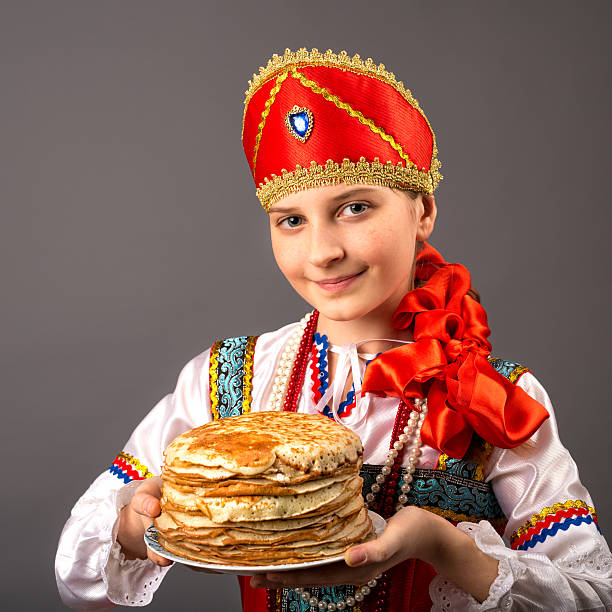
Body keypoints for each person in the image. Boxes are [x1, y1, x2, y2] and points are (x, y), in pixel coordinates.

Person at [55, 48, 612, 611]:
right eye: (291, 221)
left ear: (423, 211)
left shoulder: (496, 401)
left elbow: (592, 596)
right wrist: (136, 527)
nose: (322, 252)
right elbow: (78, 579)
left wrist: (445, 549)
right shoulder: (226, 384)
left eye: (354, 208)